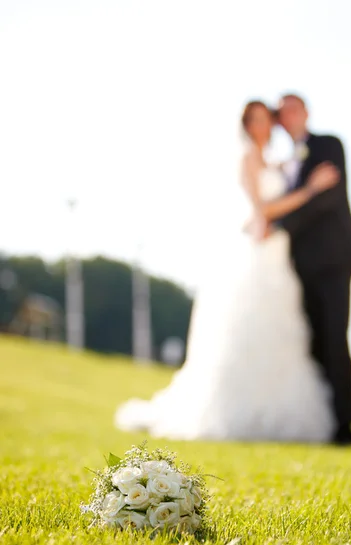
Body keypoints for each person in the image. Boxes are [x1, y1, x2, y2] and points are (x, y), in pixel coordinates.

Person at [114, 100, 339, 442]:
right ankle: (237, 412)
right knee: (248, 328)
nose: (263, 126)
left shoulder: (278, 163)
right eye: (256, 120)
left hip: (279, 257)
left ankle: (275, 411)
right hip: (256, 255)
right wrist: (311, 189)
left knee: (280, 332)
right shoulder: (248, 158)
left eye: (268, 120)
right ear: (247, 125)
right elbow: (261, 209)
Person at [276, 93, 351, 445]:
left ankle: (344, 425)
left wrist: (283, 219)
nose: (289, 116)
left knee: (335, 338)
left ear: (306, 112)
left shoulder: (329, 145)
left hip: (334, 259)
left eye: (293, 108)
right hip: (299, 266)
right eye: (282, 113)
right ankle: (321, 421)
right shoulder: (283, 164)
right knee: (311, 343)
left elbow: (329, 198)